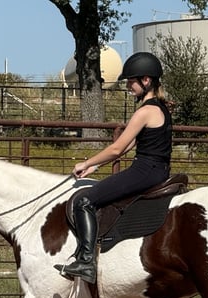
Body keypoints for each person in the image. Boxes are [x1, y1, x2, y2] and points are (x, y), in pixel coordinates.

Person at [54, 51, 173, 284]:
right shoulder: (161, 108)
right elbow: (130, 145)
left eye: (131, 80)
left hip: (145, 170)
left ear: (146, 81)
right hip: (157, 169)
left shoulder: (145, 111)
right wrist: (95, 169)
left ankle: (86, 261)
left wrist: (86, 162)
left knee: (84, 201)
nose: (128, 85)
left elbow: (117, 149)